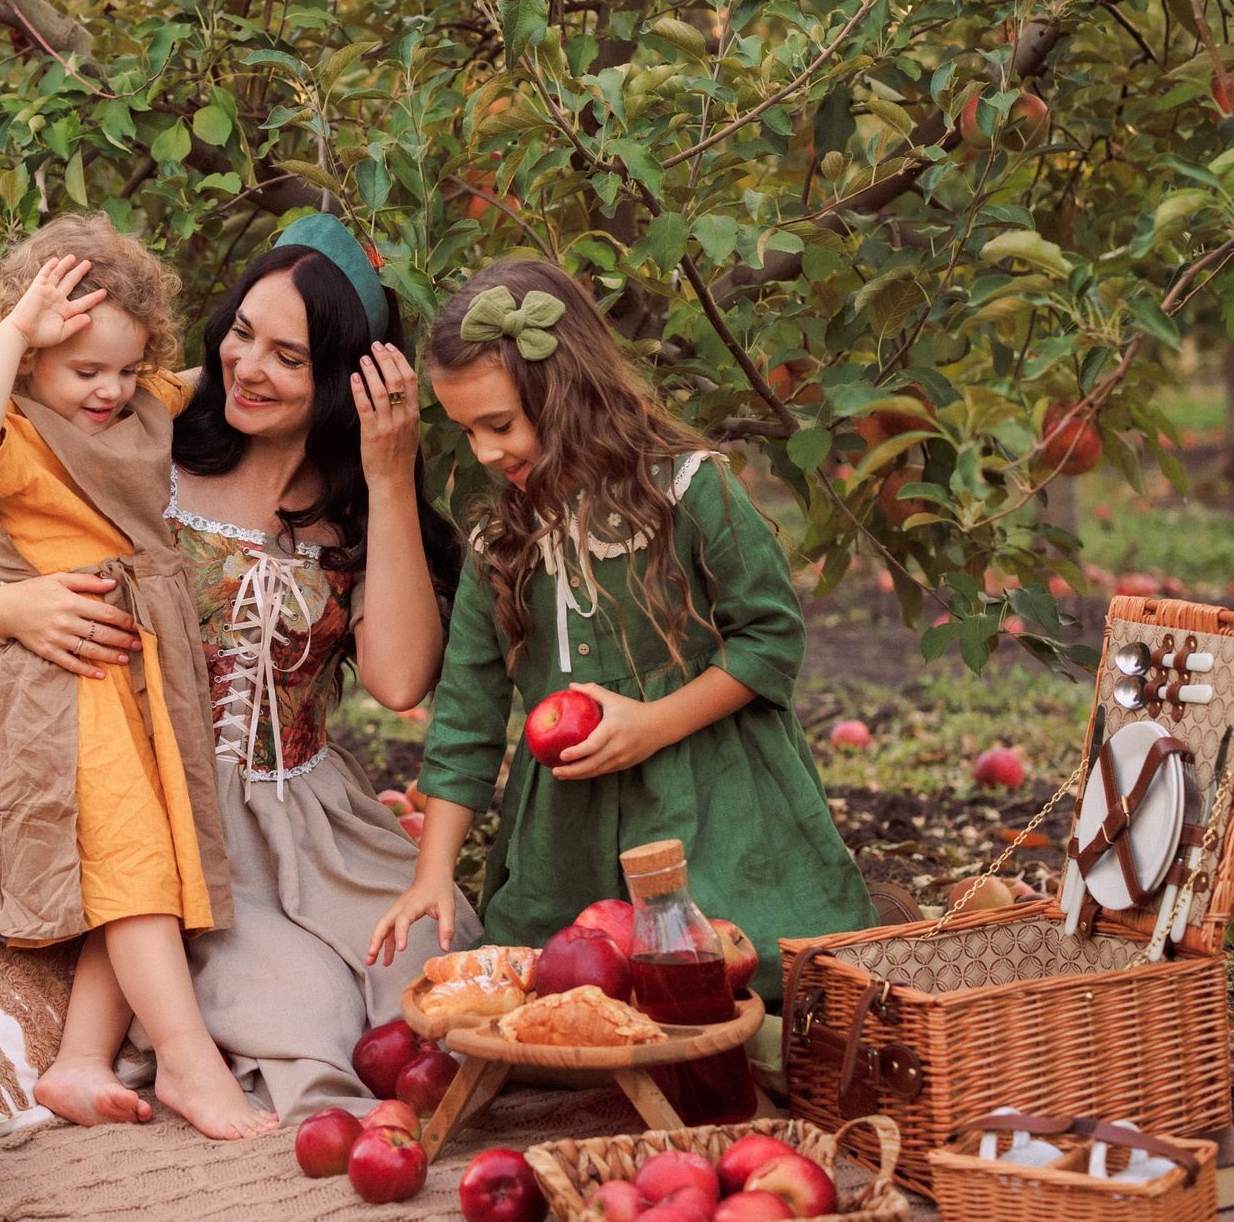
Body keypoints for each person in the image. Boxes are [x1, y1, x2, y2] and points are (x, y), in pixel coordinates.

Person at [0, 214, 474, 1123]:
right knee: (310, 1022)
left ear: (345, 381)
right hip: (176, 813)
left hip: (314, 817)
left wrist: (390, 477)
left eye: (288, 357)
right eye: (240, 334)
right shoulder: (141, 447)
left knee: (440, 984)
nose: (248, 368)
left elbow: (397, 683)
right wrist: (5, 610)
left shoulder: (354, 508)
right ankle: (184, 1049)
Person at [368, 256, 874, 998]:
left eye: (499, 424)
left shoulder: (692, 492)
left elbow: (769, 638)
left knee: (752, 975)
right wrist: (433, 871)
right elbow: (466, 725)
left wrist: (655, 723)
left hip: (713, 802)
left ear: (563, 389)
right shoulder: (502, 547)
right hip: (568, 837)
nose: (484, 452)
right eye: (466, 431)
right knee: (568, 987)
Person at [0, 213, 272, 1139]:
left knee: (136, 858)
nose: (111, 390)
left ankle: (79, 1062)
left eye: (126, 366)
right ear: (30, 361)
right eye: (85, 370)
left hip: (142, 671)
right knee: (133, 865)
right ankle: (190, 1063)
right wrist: (17, 327)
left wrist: (304, 332)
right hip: (67, 678)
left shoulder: (134, 399)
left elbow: (221, 381)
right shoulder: (14, 436)